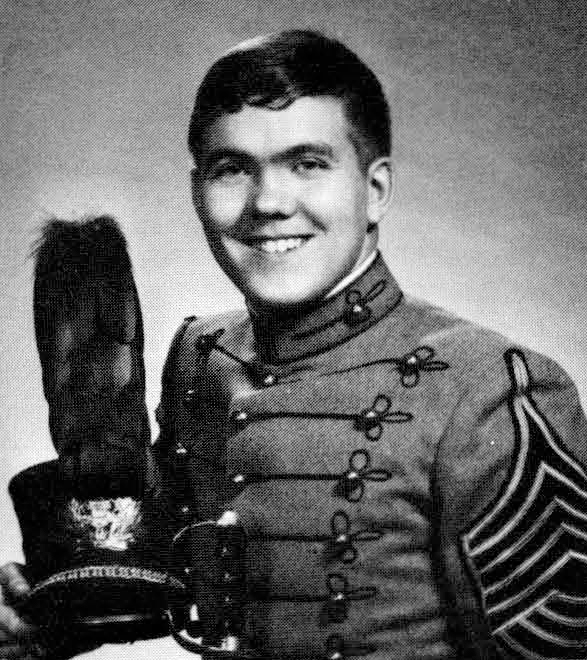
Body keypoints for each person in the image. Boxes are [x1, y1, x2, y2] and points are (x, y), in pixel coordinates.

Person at [2, 28, 587, 660]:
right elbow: (172, 584)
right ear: (197, 191)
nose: (268, 203)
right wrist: (47, 623)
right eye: (232, 169)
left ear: (375, 190)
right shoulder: (201, 358)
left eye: (307, 164)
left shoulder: (491, 391)